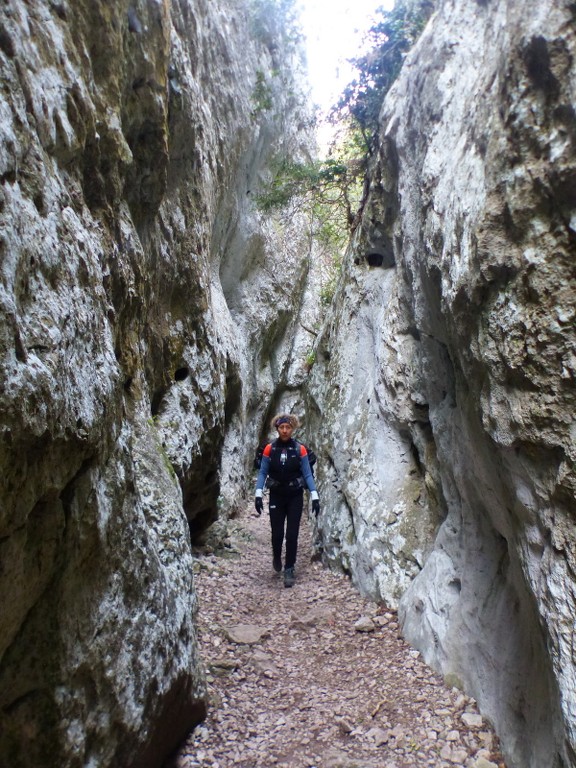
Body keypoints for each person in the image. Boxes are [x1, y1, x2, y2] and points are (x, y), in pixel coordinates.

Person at [254, 413, 320, 588]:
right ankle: (277, 555)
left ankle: (289, 568)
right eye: (282, 427)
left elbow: (307, 473)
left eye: (288, 427)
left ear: (292, 429)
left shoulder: (300, 449)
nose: (284, 430)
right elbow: (262, 472)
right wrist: (258, 493)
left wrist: (314, 495)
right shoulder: (270, 449)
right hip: (276, 494)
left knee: (292, 534)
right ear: (277, 428)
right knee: (277, 534)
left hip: (294, 495)